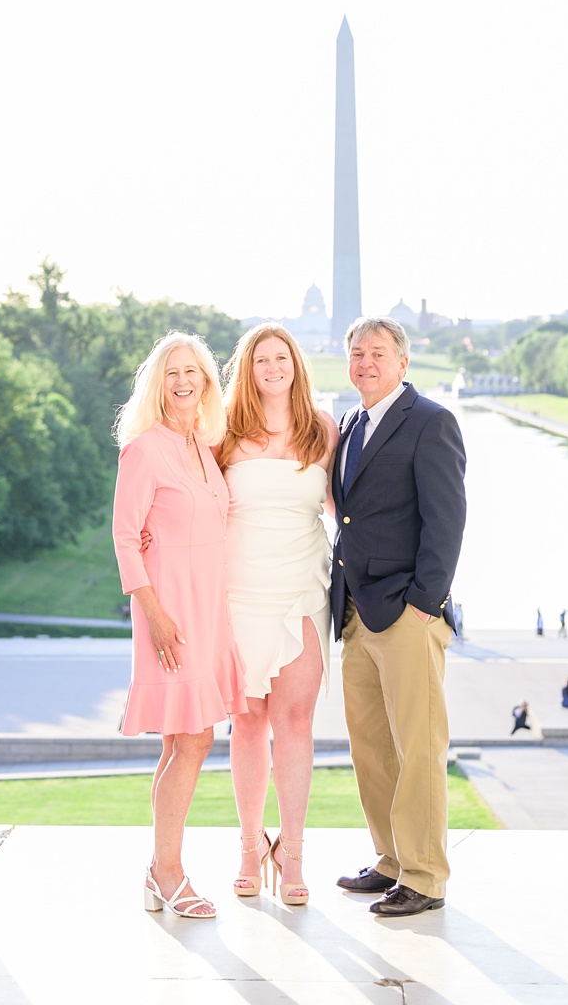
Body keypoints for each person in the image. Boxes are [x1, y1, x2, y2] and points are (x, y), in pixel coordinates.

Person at [329, 317, 467, 918]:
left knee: (419, 747)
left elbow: (447, 522)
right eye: (357, 353)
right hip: (357, 612)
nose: (366, 362)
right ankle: (390, 861)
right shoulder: (351, 423)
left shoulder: (432, 423)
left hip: (407, 613)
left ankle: (426, 876)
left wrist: (423, 604)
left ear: (402, 362)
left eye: (378, 353)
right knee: (371, 748)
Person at [112, 332, 245, 920]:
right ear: (156, 384)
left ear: (207, 382)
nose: (184, 381)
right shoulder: (145, 450)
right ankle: (168, 871)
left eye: (193, 371)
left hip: (208, 612)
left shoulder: (201, 445)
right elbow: (124, 536)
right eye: (172, 373)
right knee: (194, 738)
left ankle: (156, 871)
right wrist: (157, 616)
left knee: (182, 740)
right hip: (171, 617)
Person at [217, 322, 337, 909]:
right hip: (240, 596)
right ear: (248, 368)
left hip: (302, 593)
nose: (272, 367)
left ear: (296, 365)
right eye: (261, 358)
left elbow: (350, 515)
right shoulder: (224, 436)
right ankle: (247, 847)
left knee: (294, 722)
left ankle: (292, 855)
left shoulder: (324, 432)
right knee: (246, 723)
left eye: (281, 357)